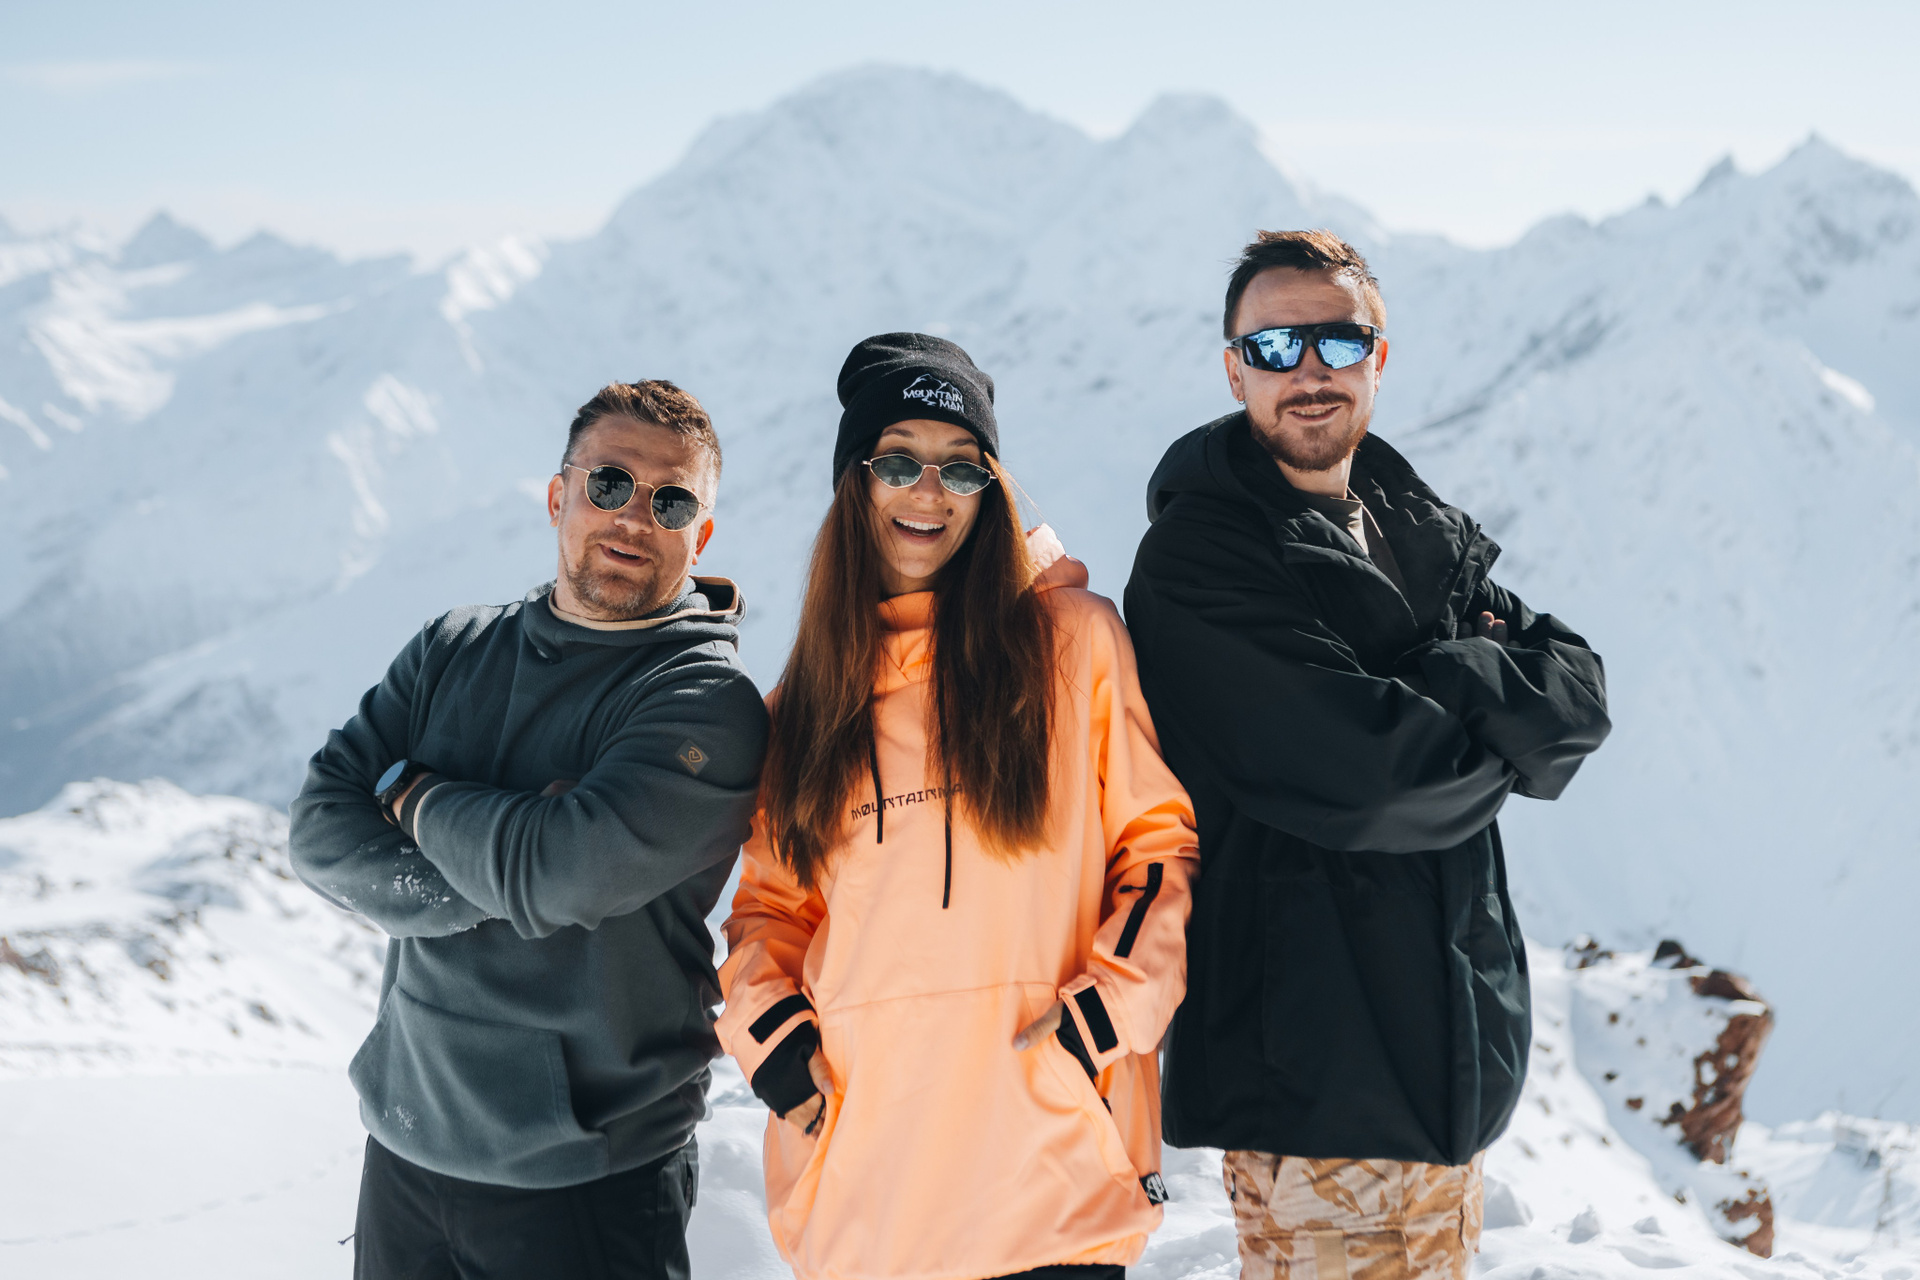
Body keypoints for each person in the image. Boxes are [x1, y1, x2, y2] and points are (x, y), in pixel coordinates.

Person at [1123, 231, 1612, 1280]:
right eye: (1275, 345)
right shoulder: (1199, 559)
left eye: (1338, 341)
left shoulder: (1412, 523)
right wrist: (1487, 700)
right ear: (1234, 370)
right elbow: (1383, 781)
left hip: (1444, 1072)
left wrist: (1438, 686)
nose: (1309, 369)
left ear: (1378, 358)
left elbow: (1576, 700)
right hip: (1316, 1089)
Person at [718, 333, 1200, 1280]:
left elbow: (1155, 848)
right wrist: (772, 1042)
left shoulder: (1074, 645)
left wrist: (1107, 1014)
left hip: (1056, 1177)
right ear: (855, 483)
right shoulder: (806, 705)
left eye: (961, 467)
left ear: (992, 489)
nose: (929, 493)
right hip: (869, 1197)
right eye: (898, 461)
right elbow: (769, 913)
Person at [288, 380, 769, 1280]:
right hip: (405, 1148)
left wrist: (412, 797)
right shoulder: (452, 649)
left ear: (699, 535)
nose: (634, 517)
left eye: (671, 502)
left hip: (589, 1177)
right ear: (559, 495)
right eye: (609, 483)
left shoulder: (706, 702)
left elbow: (561, 875)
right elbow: (319, 828)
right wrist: (499, 866)